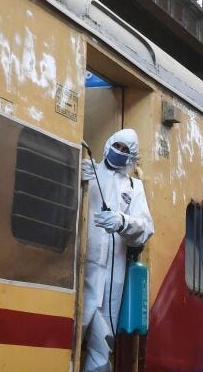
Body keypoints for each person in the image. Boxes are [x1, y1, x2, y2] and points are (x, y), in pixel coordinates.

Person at [80, 128, 154, 372]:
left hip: (112, 279)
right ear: (109, 143)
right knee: (68, 336)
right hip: (82, 271)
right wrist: (75, 173)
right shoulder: (89, 171)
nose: (119, 152)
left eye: (126, 150)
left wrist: (122, 222)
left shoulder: (134, 187)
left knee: (101, 347)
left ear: (132, 157)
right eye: (117, 146)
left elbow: (145, 228)